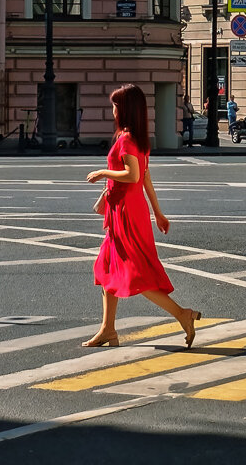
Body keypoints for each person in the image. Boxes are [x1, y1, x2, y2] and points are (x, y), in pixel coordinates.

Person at [84, 84, 201, 349]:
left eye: (115, 105)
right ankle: (108, 329)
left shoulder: (126, 139)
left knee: (136, 274)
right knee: (107, 268)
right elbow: (146, 178)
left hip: (125, 211)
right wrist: (158, 213)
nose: (112, 110)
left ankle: (183, 314)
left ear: (124, 109)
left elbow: (133, 175)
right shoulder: (138, 139)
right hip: (131, 209)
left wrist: (103, 173)